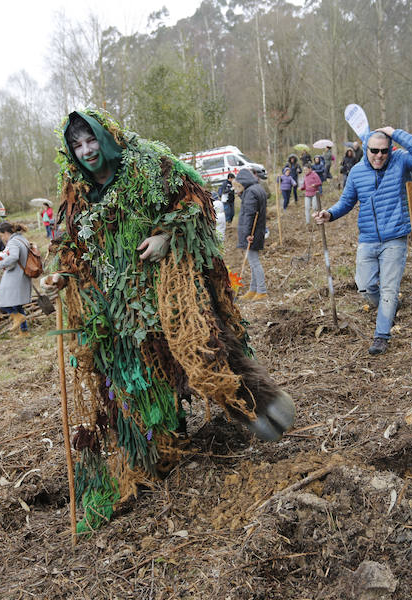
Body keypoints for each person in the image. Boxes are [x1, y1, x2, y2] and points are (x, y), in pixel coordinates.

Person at [45, 109, 294, 529]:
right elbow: (68, 245)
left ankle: (261, 406)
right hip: (119, 312)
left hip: (168, 292)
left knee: (203, 350)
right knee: (137, 380)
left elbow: (197, 202)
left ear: (105, 137)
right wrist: (62, 274)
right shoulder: (78, 195)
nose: (86, 151)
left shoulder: (147, 165)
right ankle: (162, 450)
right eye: (77, 145)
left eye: (91, 140)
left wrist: (165, 237)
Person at [313, 126, 412, 355]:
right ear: (366, 149)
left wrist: (394, 131)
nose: (379, 155)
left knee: (389, 288)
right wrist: (330, 213)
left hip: (395, 237)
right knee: (365, 286)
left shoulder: (401, 163)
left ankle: (381, 336)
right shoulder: (356, 173)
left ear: (390, 150)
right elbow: (346, 201)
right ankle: (389, 307)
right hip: (368, 238)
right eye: (374, 150)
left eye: (384, 151)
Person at [0, 222, 32, 335]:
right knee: (17, 304)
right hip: (22, 276)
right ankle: (24, 332)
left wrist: (0, 264)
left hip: (14, 277)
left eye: (1, 235)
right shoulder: (22, 239)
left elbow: (14, 256)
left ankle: (17, 317)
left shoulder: (13, 242)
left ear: (6, 232)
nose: (2, 238)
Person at [236, 168, 269, 301]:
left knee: (254, 262)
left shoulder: (250, 193)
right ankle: (253, 289)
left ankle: (262, 291)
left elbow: (249, 215)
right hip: (258, 231)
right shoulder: (256, 188)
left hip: (252, 233)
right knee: (253, 261)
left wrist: (247, 234)